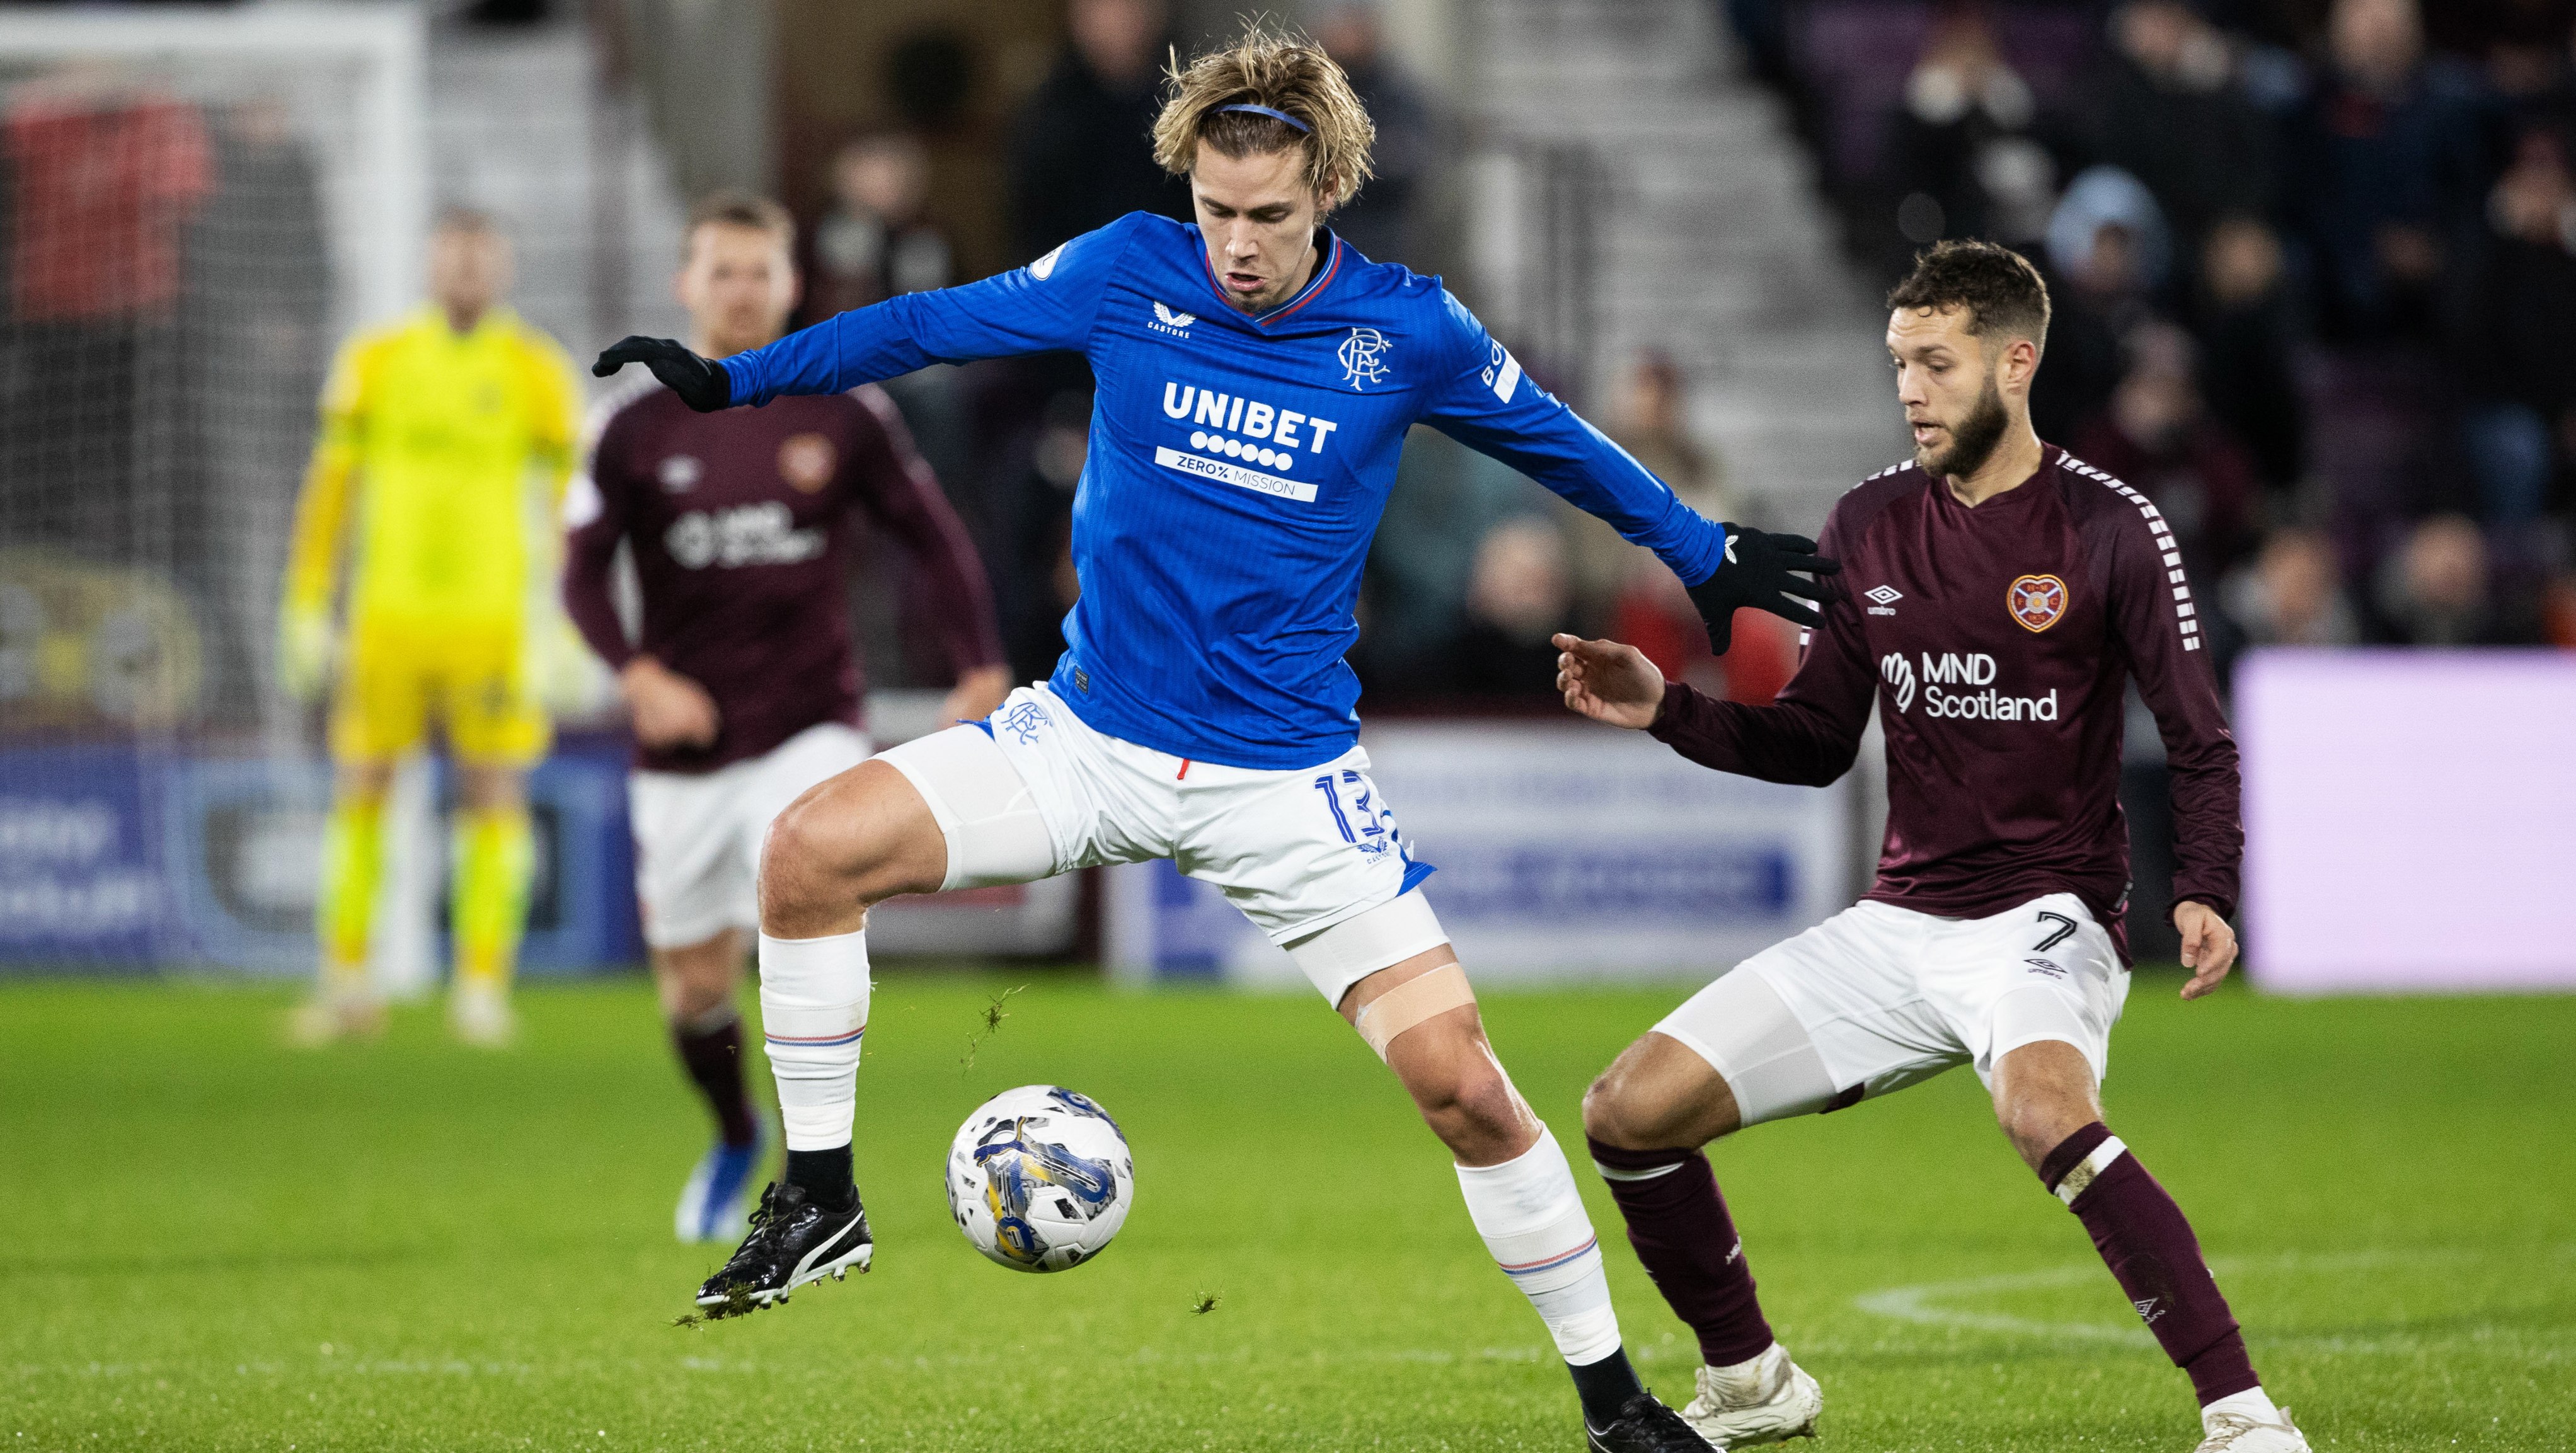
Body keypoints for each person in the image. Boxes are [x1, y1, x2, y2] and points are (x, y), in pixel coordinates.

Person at [594, 25, 1833, 1450]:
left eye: (1268, 218)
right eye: (1217, 214)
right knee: (809, 850)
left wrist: (1701, 550)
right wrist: (739, 381)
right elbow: (929, 322)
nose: (1237, 247)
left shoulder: (1404, 330)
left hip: (1287, 782)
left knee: (1465, 1091)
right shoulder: (1128, 268)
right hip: (1084, 737)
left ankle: (1613, 1401)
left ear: (1326, 198)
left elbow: (1553, 436)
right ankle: (819, 1198)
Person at [1555, 241, 2311, 1453]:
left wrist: (2208, 887)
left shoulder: (2112, 529)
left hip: (2044, 915)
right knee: (1627, 1110)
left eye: (1937, 363)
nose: (1910, 388)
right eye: (1900, 361)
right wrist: (1668, 707)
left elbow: (2200, 734)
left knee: (2040, 1106)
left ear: (2017, 363)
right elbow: (1813, 739)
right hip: (1900, 924)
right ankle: (1752, 1382)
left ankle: (2242, 1413)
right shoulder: (1867, 524)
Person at [561, 192, 1010, 1244]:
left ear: (792, 283)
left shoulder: (844, 408)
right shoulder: (630, 424)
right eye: (722, 271)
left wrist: (980, 659)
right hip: (685, 743)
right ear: (687, 284)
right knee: (693, 987)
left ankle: (822, 1171)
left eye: (760, 271)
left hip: (810, 716)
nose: (742, 290)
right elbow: (579, 574)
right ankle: (732, 1137)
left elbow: (929, 535)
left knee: (802, 885)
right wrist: (635, 676)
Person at [278, 208, 582, 1048]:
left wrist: (569, 619)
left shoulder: (537, 370)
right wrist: (306, 601)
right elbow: (329, 491)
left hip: (492, 624)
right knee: (362, 787)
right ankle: (345, 985)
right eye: (451, 259)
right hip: (387, 618)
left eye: (479, 261)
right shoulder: (375, 361)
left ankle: (482, 988)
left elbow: (569, 510)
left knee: (494, 794)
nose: (465, 275)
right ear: (427, 265)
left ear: (503, 270)